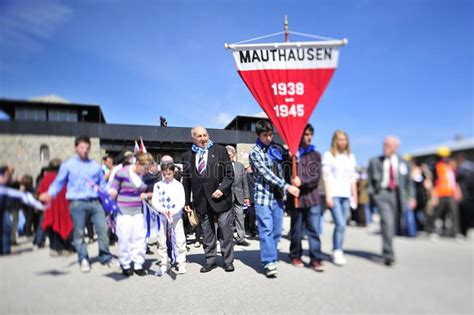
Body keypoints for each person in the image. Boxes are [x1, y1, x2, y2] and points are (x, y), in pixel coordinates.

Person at [39, 136, 115, 273]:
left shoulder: (95, 166)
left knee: (103, 228)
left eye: (87, 148)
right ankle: (83, 258)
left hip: (95, 202)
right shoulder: (68, 165)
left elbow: (102, 185)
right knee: (79, 232)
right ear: (76, 148)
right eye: (82, 147)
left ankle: (105, 256)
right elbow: (58, 182)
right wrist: (50, 193)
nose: (85, 150)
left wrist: (110, 192)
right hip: (77, 203)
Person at [249, 120, 299, 278]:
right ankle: (269, 261)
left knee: (277, 231)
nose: (269, 138)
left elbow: (287, 163)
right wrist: (288, 187)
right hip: (263, 197)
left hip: (277, 197)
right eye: (265, 135)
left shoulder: (276, 149)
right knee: (266, 230)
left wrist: (291, 154)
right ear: (258, 135)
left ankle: (271, 253)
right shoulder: (255, 152)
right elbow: (267, 174)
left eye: (270, 134)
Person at [182, 126, 235, 273]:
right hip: (201, 200)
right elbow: (186, 182)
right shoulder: (187, 156)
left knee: (225, 229)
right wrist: (187, 202)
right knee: (207, 232)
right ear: (193, 138)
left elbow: (229, 174)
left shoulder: (220, 150)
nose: (203, 139)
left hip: (221, 199)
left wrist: (221, 189)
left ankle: (228, 260)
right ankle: (210, 260)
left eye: (205, 135)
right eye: (199, 136)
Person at [367, 136, 416, 266]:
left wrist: (411, 197)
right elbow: (370, 180)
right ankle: (388, 254)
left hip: (397, 195)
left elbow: (408, 183)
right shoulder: (375, 161)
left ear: (396, 147)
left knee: (393, 224)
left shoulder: (403, 162)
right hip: (382, 193)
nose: (385, 147)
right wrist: (374, 195)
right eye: (384, 144)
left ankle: (387, 248)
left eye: (388, 145)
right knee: (387, 222)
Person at [287, 124, 324, 272]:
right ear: (300, 136)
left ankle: (315, 258)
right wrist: (289, 160)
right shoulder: (292, 154)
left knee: (313, 230)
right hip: (296, 198)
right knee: (296, 230)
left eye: (310, 134)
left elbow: (316, 176)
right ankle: (295, 255)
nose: (308, 137)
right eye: (306, 134)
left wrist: (302, 181)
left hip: (312, 199)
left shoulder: (316, 155)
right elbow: (285, 172)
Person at [109, 152, 154, 276]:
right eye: (145, 168)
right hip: (123, 211)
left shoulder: (146, 176)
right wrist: (111, 193)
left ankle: (138, 264)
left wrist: (148, 195)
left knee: (140, 238)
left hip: (139, 211)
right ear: (138, 163)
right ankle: (126, 263)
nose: (146, 171)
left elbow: (152, 191)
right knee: (125, 238)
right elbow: (113, 188)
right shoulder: (122, 173)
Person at [322, 130, 358, 266]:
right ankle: (337, 250)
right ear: (335, 141)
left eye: (344, 139)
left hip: (347, 195)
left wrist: (355, 195)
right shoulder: (329, 155)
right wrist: (328, 196)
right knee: (340, 224)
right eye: (340, 139)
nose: (342, 142)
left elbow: (353, 178)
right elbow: (325, 177)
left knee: (343, 225)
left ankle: (337, 248)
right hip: (334, 194)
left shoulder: (351, 157)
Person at [152, 161, 187, 275]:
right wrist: (162, 210)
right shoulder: (158, 186)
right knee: (161, 241)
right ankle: (164, 263)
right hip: (162, 217)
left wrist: (174, 211)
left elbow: (181, 201)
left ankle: (181, 263)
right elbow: (155, 201)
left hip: (176, 216)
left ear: (174, 172)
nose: (167, 176)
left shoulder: (178, 185)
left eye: (169, 174)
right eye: (164, 174)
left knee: (179, 240)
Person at [37, 159, 74, 256]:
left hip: (50, 207)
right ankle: (64, 247)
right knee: (64, 225)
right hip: (63, 206)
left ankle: (54, 248)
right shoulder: (63, 177)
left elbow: (40, 192)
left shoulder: (46, 177)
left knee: (52, 228)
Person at [429, 148, 462, 237]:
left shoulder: (451, 167)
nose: (445, 158)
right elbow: (433, 182)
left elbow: (455, 181)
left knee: (454, 214)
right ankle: (433, 231)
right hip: (440, 194)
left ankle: (456, 232)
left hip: (451, 194)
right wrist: (433, 196)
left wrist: (458, 191)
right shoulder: (436, 167)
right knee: (437, 213)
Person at [226, 145, 251, 247]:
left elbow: (245, 182)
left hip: (239, 196)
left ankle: (241, 238)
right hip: (227, 196)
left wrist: (247, 197)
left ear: (234, 155)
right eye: (227, 155)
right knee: (229, 218)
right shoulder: (221, 166)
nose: (229, 157)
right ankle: (229, 238)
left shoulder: (240, 166)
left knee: (240, 217)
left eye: (230, 155)